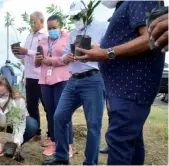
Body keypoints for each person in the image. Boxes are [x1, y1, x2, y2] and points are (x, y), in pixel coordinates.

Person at [74, 1, 166, 165]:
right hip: (122, 88)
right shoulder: (124, 5)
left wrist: (105, 53)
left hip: (131, 87)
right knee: (132, 143)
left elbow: (151, 38)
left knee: (120, 144)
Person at [43, 0, 107, 164]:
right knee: (59, 117)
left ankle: (90, 163)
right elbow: (64, 55)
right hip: (73, 80)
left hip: (93, 79)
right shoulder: (73, 32)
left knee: (93, 125)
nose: (77, 18)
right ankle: (62, 156)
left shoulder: (102, 27)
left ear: (88, 12)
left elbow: (108, 51)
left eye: (79, 15)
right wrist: (66, 57)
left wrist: (92, 48)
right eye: (74, 17)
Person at [35, 15, 72, 156]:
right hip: (45, 80)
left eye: (54, 27)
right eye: (49, 28)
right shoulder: (43, 40)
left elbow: (68, 59)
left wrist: (48, 60)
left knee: (62, 112)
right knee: (50, 112)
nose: (51, 30)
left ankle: (67, 144)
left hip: (62, 79)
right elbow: (37, 62)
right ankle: (54, 141)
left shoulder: (68, 38)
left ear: (60, 26)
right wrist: (38, 60)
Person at [12, 11, 47, 141]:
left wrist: (27, 51)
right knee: (31, 106)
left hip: (42, 76)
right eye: (30, 22)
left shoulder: (46, 36)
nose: (32, 24)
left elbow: (44, 54)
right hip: (30, 76)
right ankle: (36, 132)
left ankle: (51, 135)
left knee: (47, 106)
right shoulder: (29, 36)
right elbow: (24, 55)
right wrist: (17, 52)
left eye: (34, 21)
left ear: (41, 21)